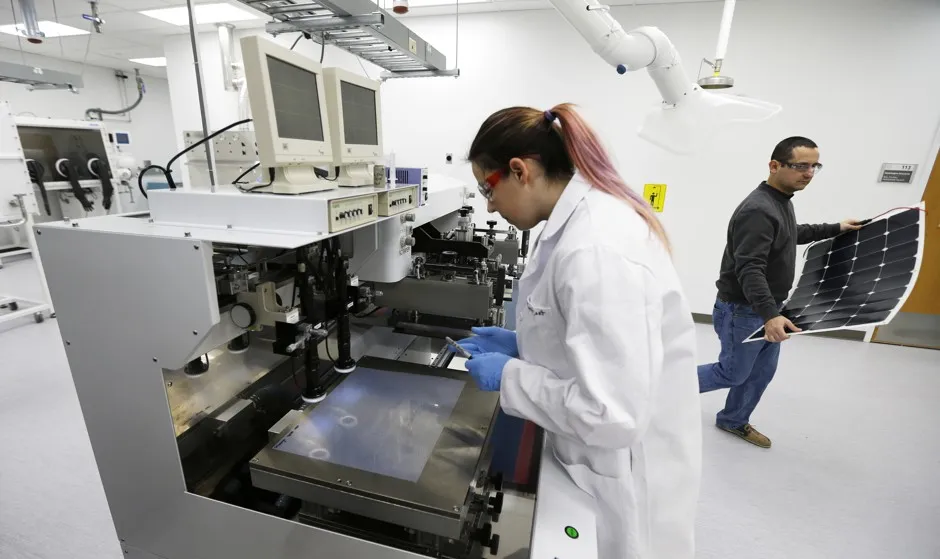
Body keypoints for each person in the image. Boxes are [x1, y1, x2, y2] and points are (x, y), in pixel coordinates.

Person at [454, 104, 701, 559]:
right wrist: (525, 346)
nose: (488, 205)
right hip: (597, 457)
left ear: (519, 170)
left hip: (622, 475)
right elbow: (582, 335)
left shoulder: (596, 248)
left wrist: (511, 376)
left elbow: (611, 414)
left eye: (486, 189)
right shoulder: (580, 222)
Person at [697, 136, 861, 449]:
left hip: (766, 308)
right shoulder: (758, 210)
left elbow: (790, 234)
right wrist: (770, 315)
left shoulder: (780, 201)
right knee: (731, 373)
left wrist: (835, 228)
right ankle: (656, 389)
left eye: (815, 166)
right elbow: (750, 269)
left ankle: (733, 420)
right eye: (801, 165)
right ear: (774, 165)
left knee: (760, 373)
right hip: (744, 310)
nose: (809, 173)